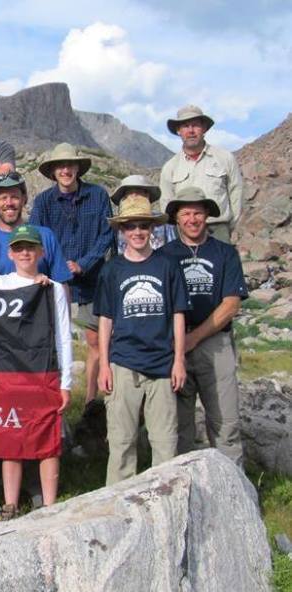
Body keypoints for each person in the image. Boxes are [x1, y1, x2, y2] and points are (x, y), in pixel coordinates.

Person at [94, 195, 190, 485]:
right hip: (123, 362)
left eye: (144, 226)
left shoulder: (168, 266)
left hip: (162, 365)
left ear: (153, 229)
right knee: (122, 443)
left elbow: (178, 314)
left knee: (165, 444)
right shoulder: (112, 270)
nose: (138, 232)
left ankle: (167, 504)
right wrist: (104, 365)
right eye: (131, 226)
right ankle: (117, 508)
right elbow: (105, 319)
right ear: (122, 230)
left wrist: (179, 361)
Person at [159, 187, 249, 466]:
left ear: (208, 215)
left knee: (226, 423)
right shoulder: (164, 255)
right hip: (175, 347)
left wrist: (194, 338)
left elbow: (231, 304)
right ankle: (186, 490)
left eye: (198, 212)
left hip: (215, 344)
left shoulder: (225, 253)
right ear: (176, 218)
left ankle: (235, 493)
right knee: (180, 427)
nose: (192, 219)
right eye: (185, 213)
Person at [0, 225, 71, 518]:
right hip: (10, 374)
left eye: (31, 247)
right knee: (11, 437)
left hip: (44, 371)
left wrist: (67, 382)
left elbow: (63, 335)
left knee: (47, 438)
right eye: (19, 248)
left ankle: (50, 505)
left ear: (41, 252)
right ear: (10, 253)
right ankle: (10, 503)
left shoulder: (54, 289)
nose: (25, 253)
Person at [30, 143, 115, 411]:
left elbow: (107, 236)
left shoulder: (98, 195)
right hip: (55, 281)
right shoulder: (43, 202)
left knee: (95, 341)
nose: (65, 170)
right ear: (53, 171)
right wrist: (57, 268)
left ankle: (91, 401)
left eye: (70, 165)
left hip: (92, 279)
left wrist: (83, 264)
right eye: (60, 166)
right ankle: (51, 401)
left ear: (78, 168)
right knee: (52, 340)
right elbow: (35, 237)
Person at [160, 105, 244, 243]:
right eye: (186, 126)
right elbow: (166, 204)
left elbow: (236, 193)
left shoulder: (225, 158)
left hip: (218, 231)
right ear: (179, 131)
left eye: (195, 125)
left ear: (204, 128)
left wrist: (229, 227)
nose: (191, 130)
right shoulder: (170, 167)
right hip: (184, 233)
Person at [0, 172, 71, 282]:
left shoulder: (45, 236)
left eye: (14, 197)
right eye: (3, 198)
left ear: (24, 199)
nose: (9, 203)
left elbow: (62, 284)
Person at [111, 175, 176, 254]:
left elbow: (172, 248)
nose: (134, 195)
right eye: (130, 192)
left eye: (140, 192)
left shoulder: (165, 226)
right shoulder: (117, 226)